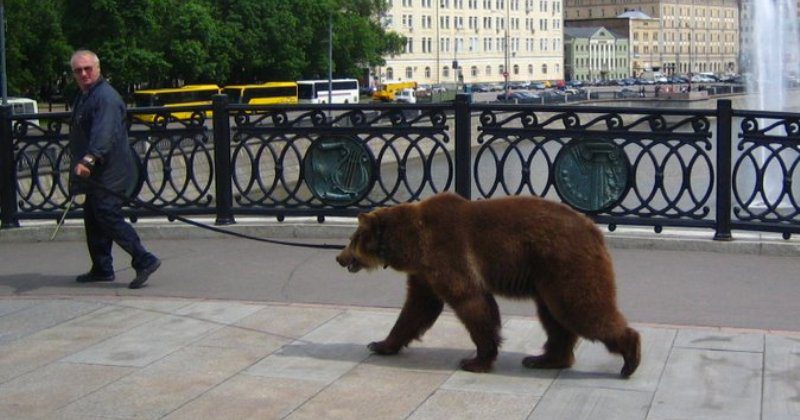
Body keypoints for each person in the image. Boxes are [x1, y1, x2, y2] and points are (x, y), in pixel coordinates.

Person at [68, 49, 160, 289]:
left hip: (111, 169)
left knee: (106, 213)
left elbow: (104, 133)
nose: (84, 73)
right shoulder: (86, 95)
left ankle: (144, 259)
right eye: (78, 70)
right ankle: (102, 268)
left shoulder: (105, 97)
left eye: (88, 68)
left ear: (98, 69)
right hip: (100, 169)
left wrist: (89, 158)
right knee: (93, 216)